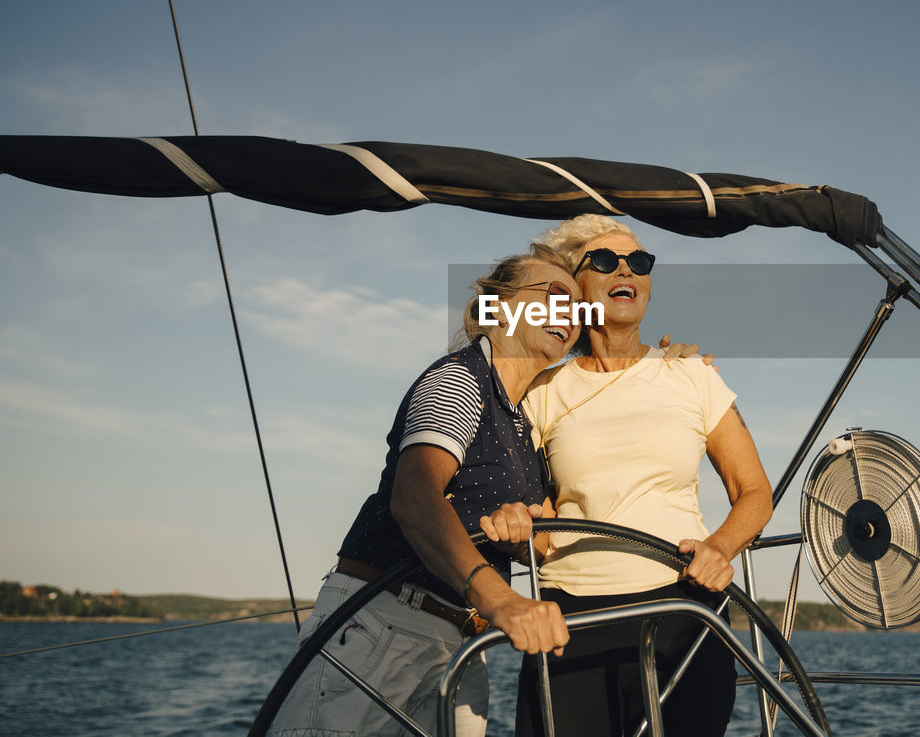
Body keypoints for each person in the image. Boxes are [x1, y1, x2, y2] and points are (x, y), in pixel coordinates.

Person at [268, 244, 579, 737]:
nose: (570, 313)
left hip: (457, 645)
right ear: (498, 305)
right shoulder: (459, 379)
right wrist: (503, 601)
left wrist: (519, 536)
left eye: (578, 308)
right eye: (554, 295)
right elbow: (414, 498)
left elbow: (539, 542)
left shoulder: (523, 423)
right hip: (382, 623)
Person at [511, 214, 773, 737]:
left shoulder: (691, 374)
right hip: (572, 623)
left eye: (639, 262)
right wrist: (526, 536)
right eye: (605, 261)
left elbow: (754, 492)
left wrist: (720, 547)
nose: (625, 269)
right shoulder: (542, 390)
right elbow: (529, 519)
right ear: (574, 284)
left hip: (683, 612)